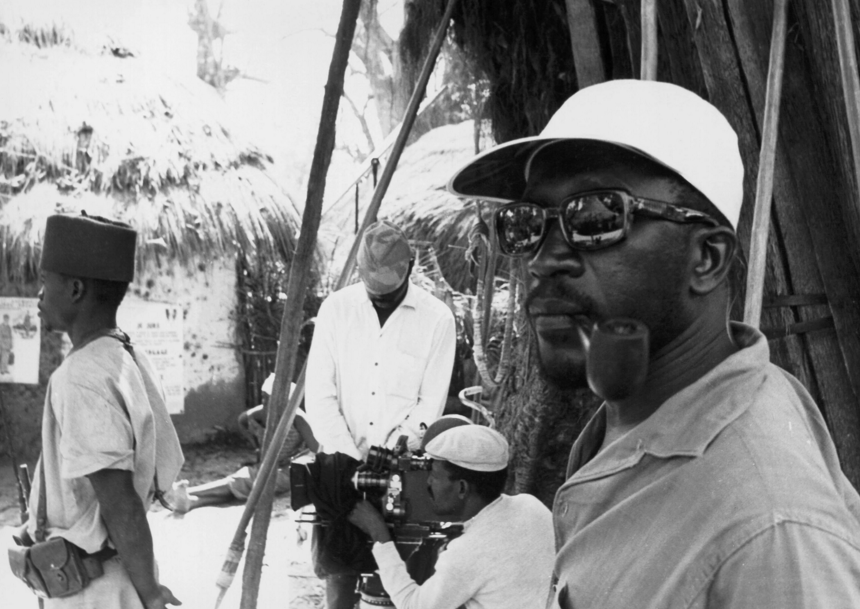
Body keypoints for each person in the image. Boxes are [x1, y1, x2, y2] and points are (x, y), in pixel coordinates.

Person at [447, 79, 860, 608]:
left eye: (595, 217)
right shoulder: (640, 419)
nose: (543, 259)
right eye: (525, 223)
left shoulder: (767, 529)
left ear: (706, 259)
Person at [28, 212, 184, 608]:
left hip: (96, 589)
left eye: (46, 282)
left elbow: (120, 503)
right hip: (118, 572)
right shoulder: (126, 354)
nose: (39, 296)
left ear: (75, 289)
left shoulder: (81, 376)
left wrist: (150, 595)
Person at [305, 219, 457, 608]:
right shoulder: (336, 310)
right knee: (340, 576)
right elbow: (319, 395)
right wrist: (349, 457)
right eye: (373, 289)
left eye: (388, 290)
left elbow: (430, 403)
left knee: (401, 580)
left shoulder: (437, 318)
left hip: (402, 467)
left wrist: (390, 450)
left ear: (410, 267)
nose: (380, 297)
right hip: (339, 463)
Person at [348, 424, 554, 609]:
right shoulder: (531, 505)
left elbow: (412, 605)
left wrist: (379, 534)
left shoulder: (468, 552)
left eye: (435, 475)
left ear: (462, 488)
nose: (428, 482)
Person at [170, 374, 313, 512]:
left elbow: (317, 450)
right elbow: (242, 420)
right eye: (263, 398)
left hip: (291, 471)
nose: (264, 402)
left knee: (246, 480)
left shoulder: (298, 417)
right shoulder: (263, 412)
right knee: (246, 486)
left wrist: (296, 462)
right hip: (270, 465)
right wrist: (256, 445)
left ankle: (190, 491)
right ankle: (192, 501)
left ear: (282, 400)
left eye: (269, 399)